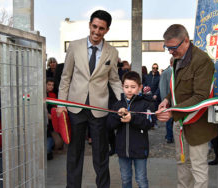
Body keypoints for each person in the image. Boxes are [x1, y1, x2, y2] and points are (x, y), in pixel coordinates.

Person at [57, 10, 123, 188]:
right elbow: (65, 77)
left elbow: (114, 80)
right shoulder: (74, 46)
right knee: (74, 153)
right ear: (89, 25)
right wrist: (61, 104)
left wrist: (123, 102)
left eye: (101, 28)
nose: (97, 31)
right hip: (75, 108)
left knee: (101, 155)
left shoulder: (112, 52)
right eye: (94, 26)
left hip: (99, 110)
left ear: (107, 30)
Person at [156, 24, 218, 188]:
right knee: (182, 164)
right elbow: (177, 87)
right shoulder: (178, 58)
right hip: (180, 122)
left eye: (173, 47)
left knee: (198, 168)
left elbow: (200, 96)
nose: (170, 52)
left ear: (186, 41)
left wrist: (171, 112)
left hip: (197, 125)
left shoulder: (202, 60)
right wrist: (167, 100)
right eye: (167, 48)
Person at [107, 71, 153, 188]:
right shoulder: (117, 105)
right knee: (125, 179)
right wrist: (118, 116)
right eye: (126, 87)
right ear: (122, 87)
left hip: (140, 150)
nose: (129, 90)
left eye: (133, 87)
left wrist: (132, 117)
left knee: (141, 179)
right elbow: (110, 125)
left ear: (140, 87)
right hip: (122, 151)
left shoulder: (146, 104)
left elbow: (149, 123)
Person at [159, 57, 174, 143]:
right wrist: (164, 100)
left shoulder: (177, 72)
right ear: (171, 63)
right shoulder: (165, 73)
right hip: (168, 101)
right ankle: (169, 137)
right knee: (169, 120)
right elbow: (162, 88)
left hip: (176, 101)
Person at [143, 63, 160, 128]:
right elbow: (144, 84)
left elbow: (159, 87)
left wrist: (156, 94)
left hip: (154, 96)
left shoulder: (159, 77)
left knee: (154, 110)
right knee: (147, 109)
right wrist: (145, 88)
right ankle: (147, 123)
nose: (155, 69)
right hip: (147, 95)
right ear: (151, 68)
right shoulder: (147, 76)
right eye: (153, 68)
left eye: (156, 68)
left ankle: (154, 123)